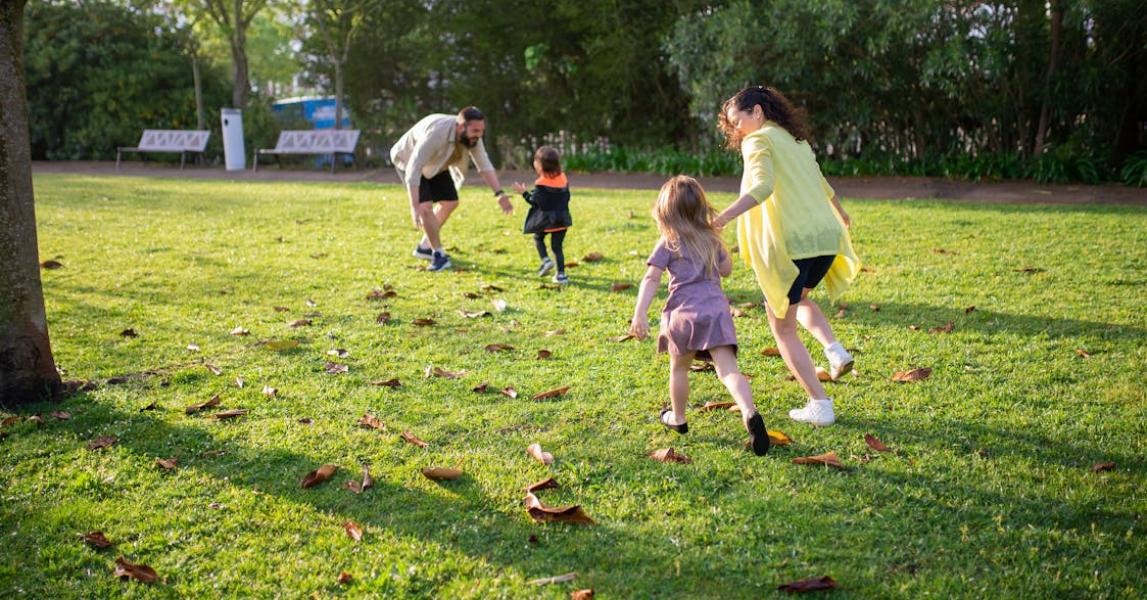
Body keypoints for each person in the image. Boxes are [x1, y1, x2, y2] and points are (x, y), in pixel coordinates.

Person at [712, 85, 861, 427]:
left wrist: (723, 217)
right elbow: (821, 182)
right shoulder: (797, 141)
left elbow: (761, 187)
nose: (737, 130)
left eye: (738, 121)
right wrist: (840, 213)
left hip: (793, 245)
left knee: (782, 327)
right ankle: (834, 350)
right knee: (799, 299)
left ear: (758, 112)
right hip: (825, 239)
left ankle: (819, 404)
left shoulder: (758, 140)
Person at [629, 176, 770, 456]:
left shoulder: (668, 241)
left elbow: (651, 277)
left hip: (682, 313)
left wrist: (640, 313)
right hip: (715, 310)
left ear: (665, 212)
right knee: (728, 370)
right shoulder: (710, 239)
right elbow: (727, 270)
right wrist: (719, 242)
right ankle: (749, 411)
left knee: (679, 368)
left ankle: (678, 419)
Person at [390, 107, 513, 271]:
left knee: (450, 202)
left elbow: (484, 164)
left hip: (436, 164)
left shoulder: (473, 137)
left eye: (482, 131)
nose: (479, 135)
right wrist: (415, 206)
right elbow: (414, 167)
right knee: (425, 207)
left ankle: (425, 246)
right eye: (475, 130)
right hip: (408, 160)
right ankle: (438, 255)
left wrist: (500, 194)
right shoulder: (437, 133)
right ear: (461, 127)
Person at [513, 146, 572, 284]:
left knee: (538, 238)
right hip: (563, 220)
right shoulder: (563, 178)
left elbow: (535, 202)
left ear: (539, 166)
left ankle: (545, 260)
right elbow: (566, 197)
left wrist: (524, 193)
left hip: (547, 221)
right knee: (557, 247)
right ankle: (561, 275)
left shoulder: (541, 183)